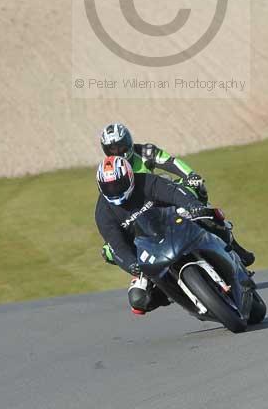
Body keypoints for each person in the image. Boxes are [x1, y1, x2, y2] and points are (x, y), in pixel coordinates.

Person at [99, 122, 255, 268]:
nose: (118, 151)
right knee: (109, 251)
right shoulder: (111, 174)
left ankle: (232, 245)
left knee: (196, 189)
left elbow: (170, 162)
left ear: (128, 142)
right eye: (112, 149)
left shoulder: (145, 152)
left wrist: (190, 175)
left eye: (120, 146)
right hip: (141, 215)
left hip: (162, 198)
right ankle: (144, 274)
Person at [95, 155, 224, 315]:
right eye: (109, 187)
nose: (114, 189)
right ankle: (177, 296)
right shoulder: (103, 213)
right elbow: (117, 245)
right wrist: (132, 264)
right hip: (147, 249)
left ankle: (231, 249)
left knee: (207, 217)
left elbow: (173, 192)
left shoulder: (145, 181)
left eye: (118, 184)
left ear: (129, 177)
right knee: (138, 299)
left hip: (172, 224)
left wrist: (192, 205)